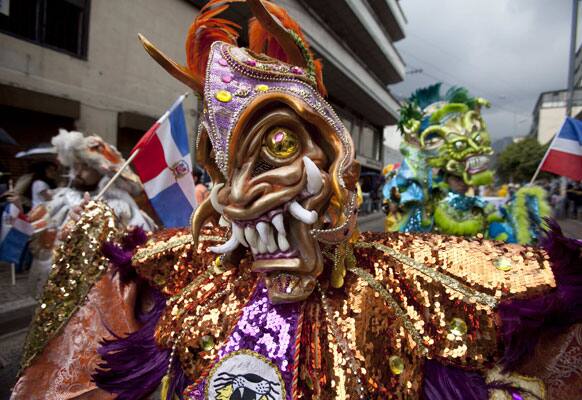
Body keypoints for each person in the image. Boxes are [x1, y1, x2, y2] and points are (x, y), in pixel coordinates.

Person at [14, 1, 582, 399]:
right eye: (226, 163)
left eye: (279, 143)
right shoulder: (192, 280)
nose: (239, 192)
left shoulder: (403, 282)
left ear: (331, 153)